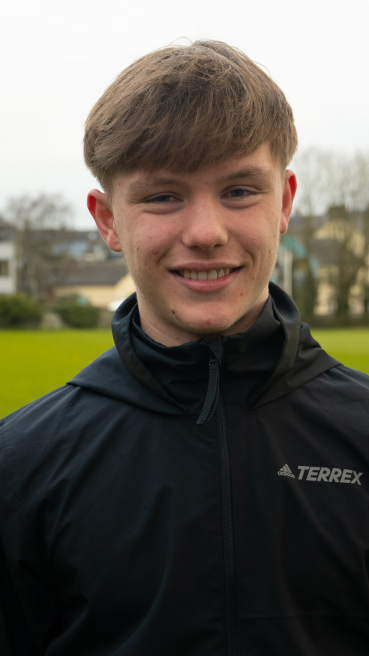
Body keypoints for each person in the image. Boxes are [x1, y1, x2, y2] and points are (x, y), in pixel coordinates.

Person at [1, 40, 369, 656]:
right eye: (163, 196)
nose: (205, 233)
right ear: (107, 219)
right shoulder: (20, 465)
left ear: (285, 202)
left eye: (239, 191)